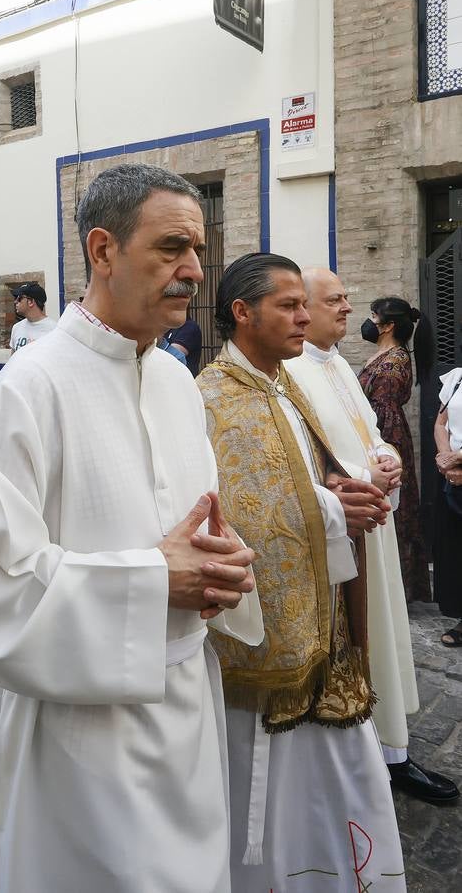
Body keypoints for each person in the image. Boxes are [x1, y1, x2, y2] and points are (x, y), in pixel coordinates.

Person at [0, 164, 262, 892]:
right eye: (171, 248)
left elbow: (193, 522)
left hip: (186, 705)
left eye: (198, 251)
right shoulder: (30, 385)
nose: (192, 270)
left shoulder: (179, 381)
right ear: (102, 249)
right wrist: (155, 579)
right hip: (80, 735)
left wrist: (222, 562)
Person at [197, 253, 404, 891]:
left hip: (326, 618)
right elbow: (230, 504)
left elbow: (302, 467)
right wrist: (331, 506)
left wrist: (341, 485)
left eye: (304, 305)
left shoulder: (282, 382)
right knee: (267, 788)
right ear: (242, 312)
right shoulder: (211, 396)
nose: (305, 317)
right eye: (289, 306)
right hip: (269, 640)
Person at [289, 267, 458, 804]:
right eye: (334, 300)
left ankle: (393, 752)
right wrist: (366, 476)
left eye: (347, 298)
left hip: (373, 522)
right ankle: (368, 753)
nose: (346, 308)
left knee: (385, 634)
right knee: (359, 640)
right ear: (304, 308)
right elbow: (298, 463)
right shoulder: (290, 371)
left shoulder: (336, 363)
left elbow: (373, 432)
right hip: (344, 529)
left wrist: (383, 460)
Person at [358, 296, 434, 604]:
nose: (369, 322)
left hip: (387, 435)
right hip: (380, 430)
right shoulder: (384, 354)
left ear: (388, 325)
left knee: (395, 512)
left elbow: (383, 410)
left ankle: (397, 588)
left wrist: (379, 450)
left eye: (373, 317)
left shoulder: (393, 362)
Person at [434, 366, 462, 646]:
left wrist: (458, 460)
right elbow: (440, 424)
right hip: (453, 475)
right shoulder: (457, 377)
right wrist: (445, 458)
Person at [8, 282, 56, 352]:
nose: (15, 302)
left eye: (19, 298)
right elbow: (13, 359)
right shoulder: (16, 327)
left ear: (30, 302)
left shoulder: (54, 329)